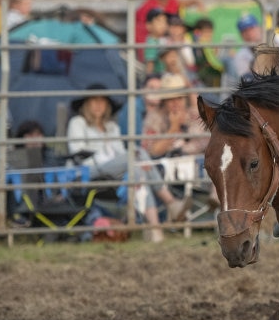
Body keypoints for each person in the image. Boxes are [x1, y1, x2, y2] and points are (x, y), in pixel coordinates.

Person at [66, 84, 188, 242]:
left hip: (113, 172)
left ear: (107, 106)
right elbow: (77, 152)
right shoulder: (77, 123)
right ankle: (170, 201)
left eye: (102, 101)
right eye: (94, 101)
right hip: (87, 172)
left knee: (137, 172)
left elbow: (120, 154)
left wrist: (122, 161)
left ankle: (155, 228)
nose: (98, 105)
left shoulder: (112, 127)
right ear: (86, 104)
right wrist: (112, 159)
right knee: (137, 153)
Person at [141, 72, 207, 159]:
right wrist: (173, 129)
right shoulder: (154, 118)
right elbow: (152, 152)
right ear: (163, 101)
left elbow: (207, 143)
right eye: (171, 99)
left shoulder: (194, 115)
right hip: (164, 167)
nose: (176, 103)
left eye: (179, 98)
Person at [220, 13, 262, 91]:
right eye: (245, 31)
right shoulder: (240, 55)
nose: (249, 34)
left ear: (259, 28)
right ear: (241, 35)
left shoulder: (274, 40)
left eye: (251, 28)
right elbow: (247, 81)